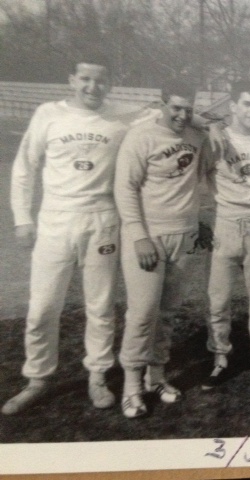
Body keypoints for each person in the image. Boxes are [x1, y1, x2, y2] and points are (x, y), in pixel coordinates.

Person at [3, 52, 157, 415]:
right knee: (42, 307)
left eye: (100, 80)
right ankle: (38, 378)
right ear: (71, 80)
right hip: (55, 218)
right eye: (85, 79)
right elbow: (24, 167)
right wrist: (22, 218)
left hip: (102, 219)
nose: (93, 87)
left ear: (110, 83)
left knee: (100, 305)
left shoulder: (121, 114)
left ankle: (98, 375)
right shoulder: (48, 114)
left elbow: (165, 111)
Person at [114, 79, 214, 418]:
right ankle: (131, 387)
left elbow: (218, 131)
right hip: (148, 237)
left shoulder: (196, 135)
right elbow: (125, 189)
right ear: (160, 103)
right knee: (142, 314)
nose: (182, 115)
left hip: (183, 236)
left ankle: (155, 377)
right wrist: (139, 235)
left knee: (168, 314)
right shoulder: (140, 136)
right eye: (176, 108)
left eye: (189, 109)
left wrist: (198, 120)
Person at [200, 80, 250, 389]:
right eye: (246, 104)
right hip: (226, 224)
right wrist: (210, 124)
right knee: (218, 298)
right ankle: (220, 358)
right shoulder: (217, 138)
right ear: (232, 106)